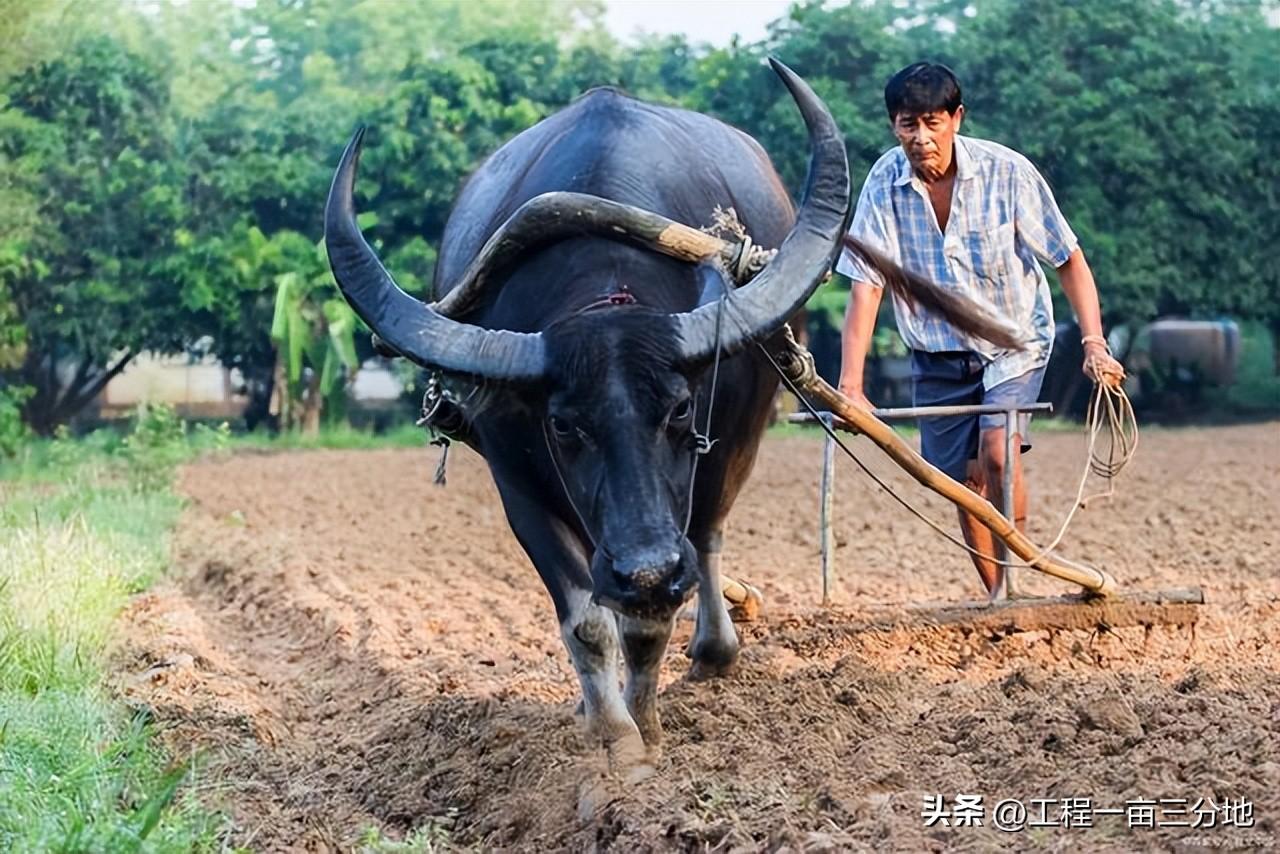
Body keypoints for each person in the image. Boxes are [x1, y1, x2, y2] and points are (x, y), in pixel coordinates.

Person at [836, 61, 1124, 599]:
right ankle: (1001, 597)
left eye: (931, 122)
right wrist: (850, 386)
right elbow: (867, 285)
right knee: (961, 484)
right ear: (893, 126)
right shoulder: (883, 182)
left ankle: (1018, 573)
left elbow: (1069, 260)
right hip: (937, 351)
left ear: (956, 118)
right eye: (907, 124)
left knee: (997, 451)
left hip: (1013, 340)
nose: (920, 138)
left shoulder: (1007, 173)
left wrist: (1093, 343)